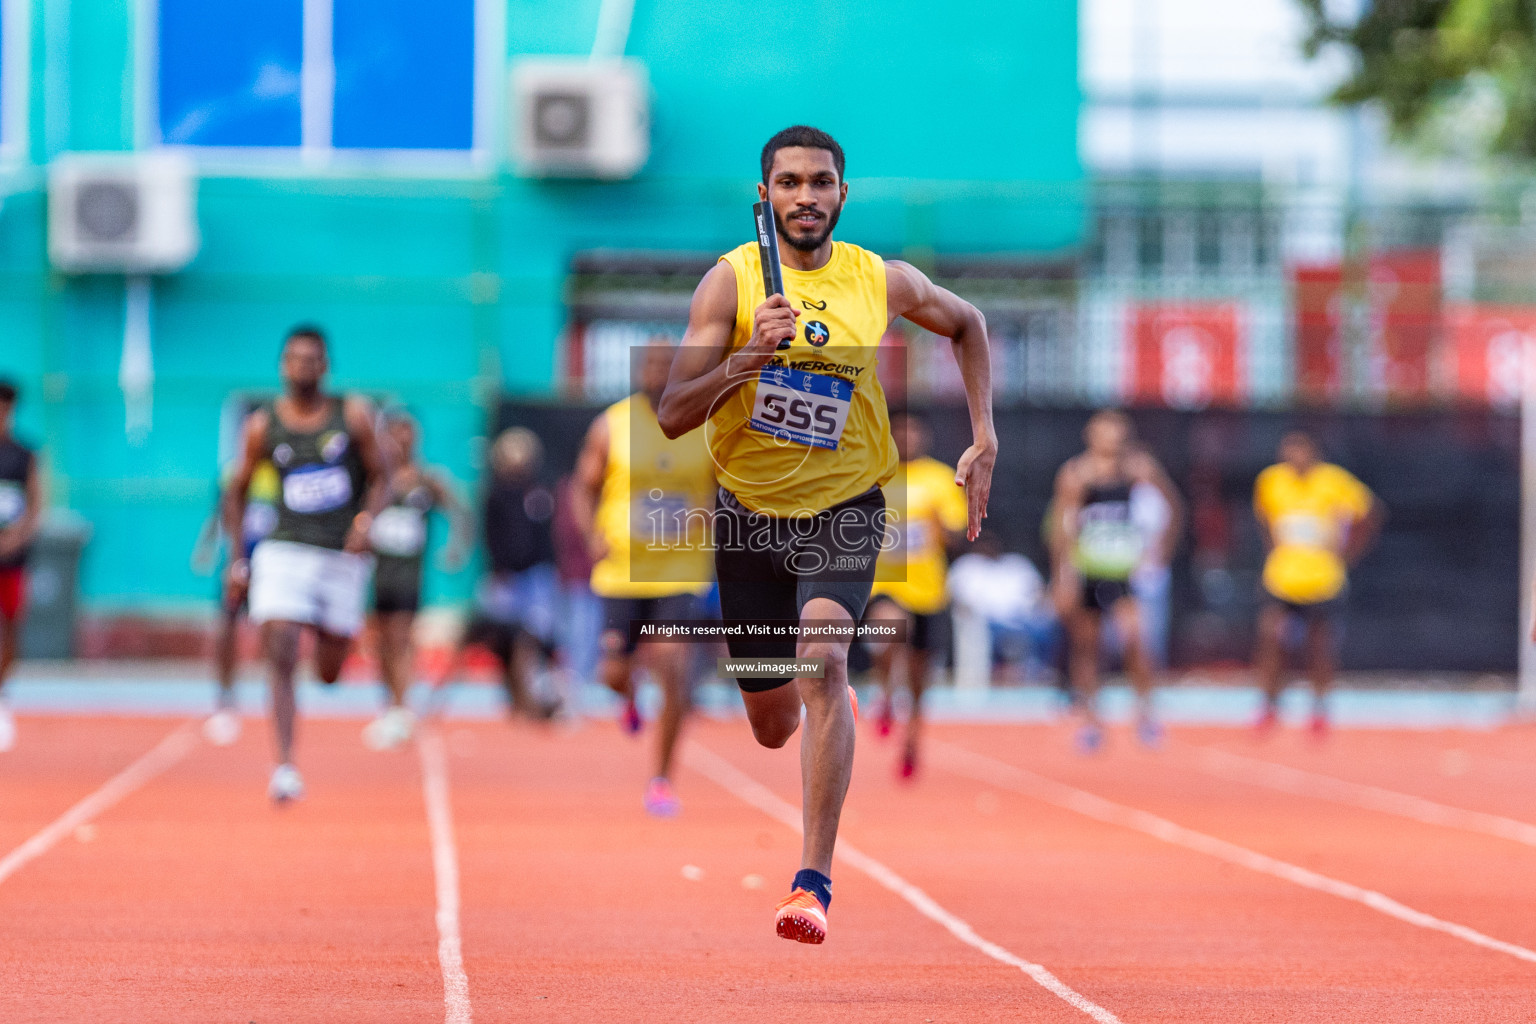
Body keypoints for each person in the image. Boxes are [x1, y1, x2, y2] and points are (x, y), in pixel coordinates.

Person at [658, 126, 996, 944]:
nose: (805, 196)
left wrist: (985, 434)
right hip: (747, 515)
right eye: (789, 183)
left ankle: (812, 882)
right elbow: (672, 413)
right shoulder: (729, 284)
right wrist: (745, 358)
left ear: (843, 195)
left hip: (845, 504)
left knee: (825, 653)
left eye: (820, 182)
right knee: (773, 724)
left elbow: (968, 323)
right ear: (765, 197)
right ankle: (822, 695)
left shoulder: (880, 279)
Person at [224, 326, 389, 802]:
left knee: (331, 669)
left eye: (312, 359)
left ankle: (329, 643)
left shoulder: (352, 413)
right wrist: (239, 560)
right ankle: (285, 765)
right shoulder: (262, 426)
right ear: (281, 366)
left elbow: (385, 477)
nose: (303, 368)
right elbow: (235, 492)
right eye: (294, 359)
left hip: (341, 554)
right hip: (284, 548)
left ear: (326, 366)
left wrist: (366, 521)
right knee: (280, 643)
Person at [570, 340, 716, 816]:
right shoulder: (611, 424)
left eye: (666, 366)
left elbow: (730, 486)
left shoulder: (706, 423)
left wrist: (712, 515)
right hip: (622, 572)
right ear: (639, 372)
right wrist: (592, 534)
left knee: (674, 663)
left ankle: (661, 778)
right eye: (650, 365)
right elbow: (582, 487)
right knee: (611, 673)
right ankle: (629, 693)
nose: (658, 373)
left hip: (681, 569)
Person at [1051, 410, 1182, 753]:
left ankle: (1146, 714)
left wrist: (1161, 554)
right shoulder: (1077, 474)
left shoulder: (1139, 469)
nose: (1112, 439)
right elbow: (1062, 527)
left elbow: (1172, 507)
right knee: (1088, 647)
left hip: (1127, 572)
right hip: (1090, 570)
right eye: (1104, 432)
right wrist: (1062, 577)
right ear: (1090, 436)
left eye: (1118, 432)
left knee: (1136, 641)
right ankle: (1092, 722)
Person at [1252, 431, 1383, 737]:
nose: (1295, 457)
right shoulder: (1271, 481)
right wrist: (1273, 551)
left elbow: (1371, 513)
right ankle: (1269, 703)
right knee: (1272, 637)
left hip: (1322, 579)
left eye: (1301, 450)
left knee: (1319, 646)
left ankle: (1320, 707)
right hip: (1283, 578)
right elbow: (1264, 518)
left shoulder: (1333, 481)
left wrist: (1348, 554)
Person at [864, 412, 968, 780]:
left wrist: (941, 526)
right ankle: (886, 694)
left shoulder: (941, 478)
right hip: (885, 585)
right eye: (901, 431)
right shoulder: (874, 474)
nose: (908, 438)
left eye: (914, 431)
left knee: (921, 681)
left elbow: (957, 535)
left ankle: (911, 745)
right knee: (890, 626)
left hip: (929, 591)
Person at [364, 410, 471, 751]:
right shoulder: (375, 479)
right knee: (379, 641)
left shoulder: (427, 479)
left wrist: (456, 547)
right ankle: (390, 704)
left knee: (400, 637)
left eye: (408, 433)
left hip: (409, 573)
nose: (402, 441)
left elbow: (460, 510)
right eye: (395, 434)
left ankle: (400, 707)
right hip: (375, 572)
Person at [450, 427, 562, 720]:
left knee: (533, 639)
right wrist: (499, 569)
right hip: (505, 580)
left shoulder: (539, 492)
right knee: (490, 637)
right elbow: (491, 536)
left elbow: (545, 538)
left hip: (535, 578)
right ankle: (508, 696)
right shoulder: (494, 494)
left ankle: (534, 699)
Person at [192, 452, 281, 747]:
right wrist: (207, 547)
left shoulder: (282, 469)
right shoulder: (234, 471)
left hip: (273, 565)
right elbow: (220, 512)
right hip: (237, 563)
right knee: (227, 628)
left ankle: (276, 695)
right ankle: (226, 699)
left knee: (274, 632)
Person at [0, 380, 42, 752]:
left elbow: (35, 507)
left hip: (12, 558)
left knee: (11, 629)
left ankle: (2, 695)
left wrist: (14, 539)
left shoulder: (24, 455)